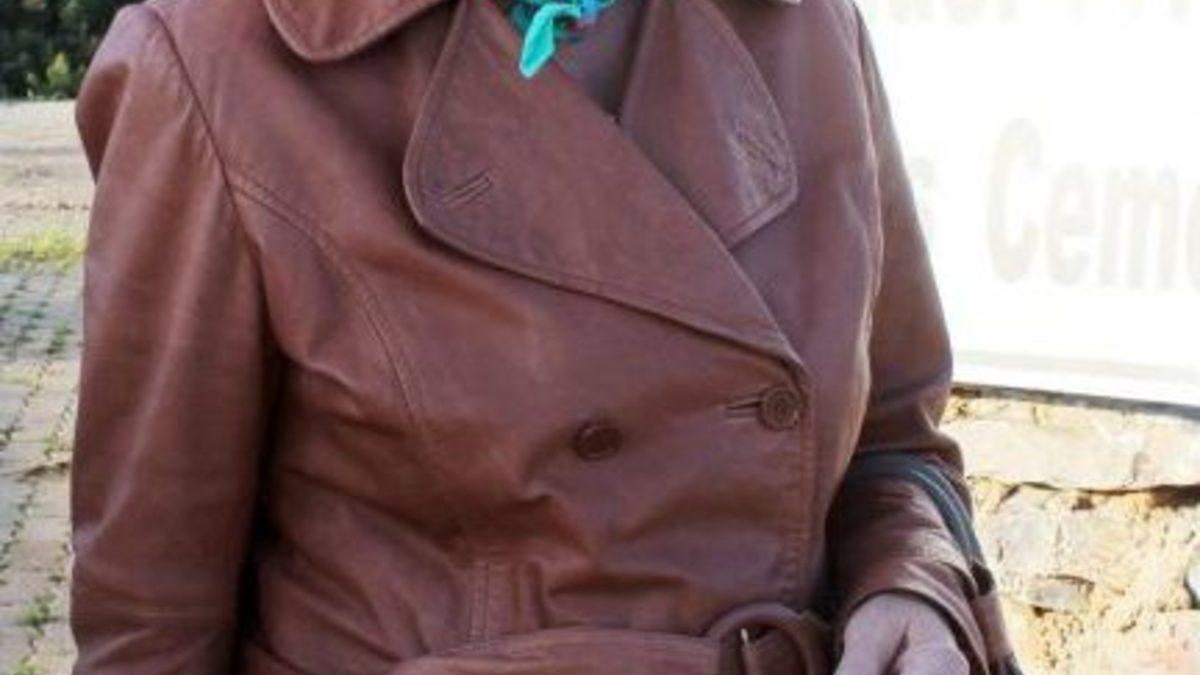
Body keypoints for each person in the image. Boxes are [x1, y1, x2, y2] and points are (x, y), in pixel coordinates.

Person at [69, 0, 1015, 673]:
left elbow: (895, 442)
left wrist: (910, 587)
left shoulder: (806, 26)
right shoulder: (212, 60)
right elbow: (151, 622)